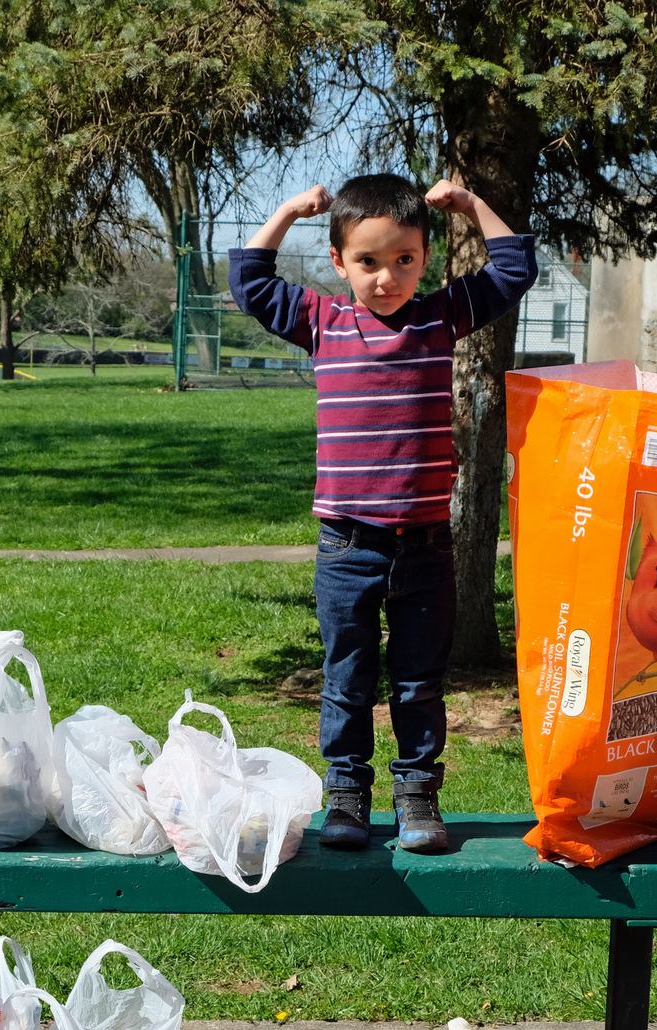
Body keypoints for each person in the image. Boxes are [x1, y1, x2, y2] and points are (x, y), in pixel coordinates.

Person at [228, 174, 537, 854]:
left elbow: (514, 267)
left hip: (426, 549)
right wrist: (287, 209)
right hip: (347, 547)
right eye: (368, 262)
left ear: (425, 258)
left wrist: (469, 206)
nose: (387, 277)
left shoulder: (440, 318)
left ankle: (418, 797)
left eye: (404, 260)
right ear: (338, 262)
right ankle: (345, 794)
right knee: (347, 679)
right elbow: (249, 281)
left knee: (422, 682)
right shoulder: (324, 322)